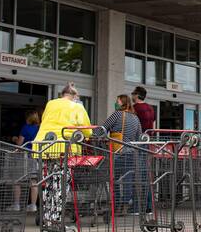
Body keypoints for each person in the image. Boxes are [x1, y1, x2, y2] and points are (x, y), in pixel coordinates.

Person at [33, 83, 92, 214]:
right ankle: (57, 216)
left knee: (48, 182)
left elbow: (44, 120)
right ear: (75, 96)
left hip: (44, 146)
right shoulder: (77, 107)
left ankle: (47, 214)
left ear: (62, 94)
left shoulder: (50, 104)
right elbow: (87, 130)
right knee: (61, 183)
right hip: (64, 148)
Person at [103, 95, 143, 211]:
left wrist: (93, 133)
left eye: (117, 101)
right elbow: (139, 136)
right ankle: (126, 203)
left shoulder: (117, 114)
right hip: (131, 152)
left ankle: (116, 203)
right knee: (128, 177)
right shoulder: (135, 118)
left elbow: (103, 128)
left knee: (113, 177)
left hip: (118, 151)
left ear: (122, 103)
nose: (116, 103)